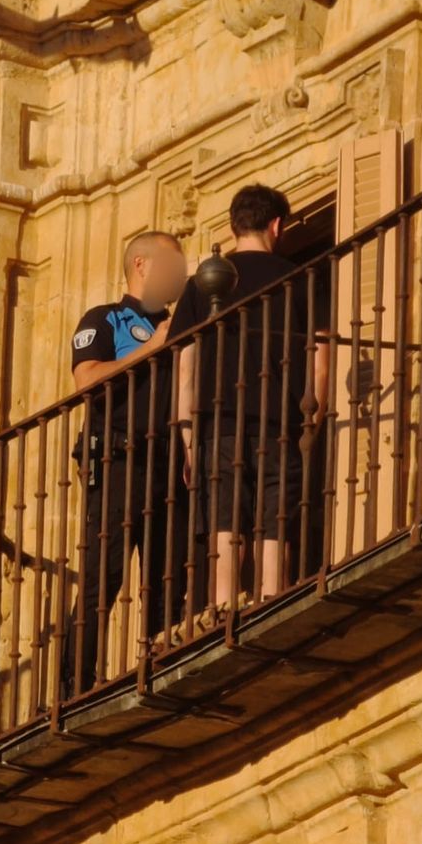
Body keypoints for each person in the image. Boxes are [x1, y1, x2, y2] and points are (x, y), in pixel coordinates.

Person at [170, 185, 329, 616]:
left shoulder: (202, 284)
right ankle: (271, 605)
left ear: (234, 225)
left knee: (225, 529)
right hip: (278, 426)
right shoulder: (301, 276)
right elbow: (321, 360)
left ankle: (223, 612)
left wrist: (189, 440)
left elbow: (186, 367)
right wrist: (308, 425)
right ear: (276, 225)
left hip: (217, 427)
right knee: (274, 530)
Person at [63, 230, 188, 699]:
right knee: (106, 568)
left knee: (168, 569)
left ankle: (163, 660)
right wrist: (151, 348)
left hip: (167, 460)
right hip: (117, 454)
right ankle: (74, 681)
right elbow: (87, 380)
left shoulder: (178, 324)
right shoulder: (106, 318)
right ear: (142, 265)